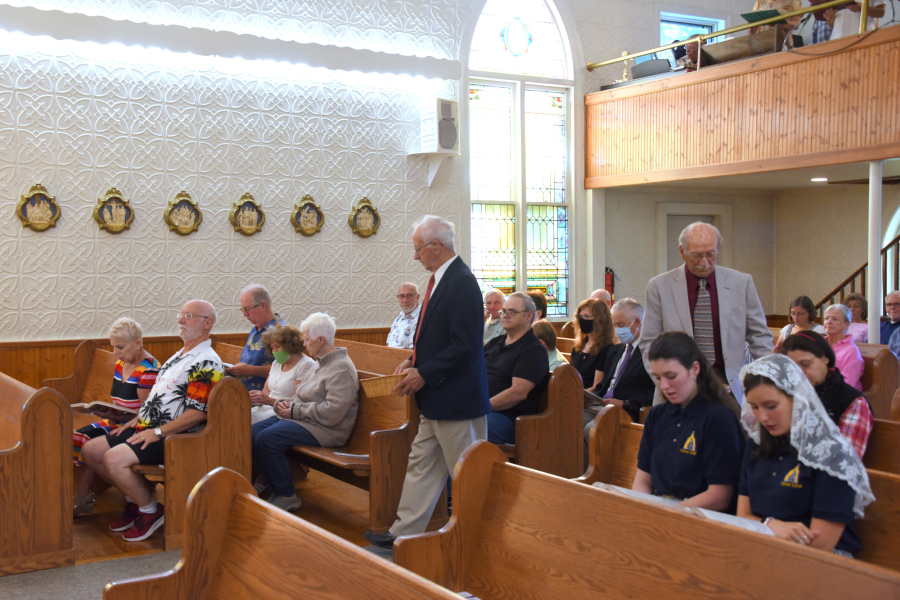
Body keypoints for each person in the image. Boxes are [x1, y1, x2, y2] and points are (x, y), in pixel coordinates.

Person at [364, 216, 490, 548]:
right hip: (437, 397)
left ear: (436, 246)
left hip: (457, 399)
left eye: (418, 249)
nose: (415, 256)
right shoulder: (440, 281)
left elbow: (465, 344)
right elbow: (436, 338)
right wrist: (413, 361)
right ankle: (403, 534)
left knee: (468, 473)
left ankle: (481, 537)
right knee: (421, 465)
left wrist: (425, 372)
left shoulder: (461, 281)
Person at [80, 300, 223, 542]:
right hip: (147, 426)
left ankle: (150, 511)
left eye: (188, 315)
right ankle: (135, 502)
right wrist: (137, 418)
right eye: (181, 314)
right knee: (90, 450)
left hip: (174, 436)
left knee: (113, 459)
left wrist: (156, 432)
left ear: (206, 323)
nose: (180, 320)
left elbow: (198, 412)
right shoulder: (181, 355)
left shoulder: (206, 361)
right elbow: (160, 398)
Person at [737, 354, 875, 556]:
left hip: (823, 561)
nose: (763, 417)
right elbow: (742, 515)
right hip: (766, 546)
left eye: (771, 406)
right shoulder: (757, 445)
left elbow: (821, 544)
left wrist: (766, 530)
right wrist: (771, 525)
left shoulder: (832, 453)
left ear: (798, 398)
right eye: (755, 407)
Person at [640, 221, 772, 404]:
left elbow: (760, 337)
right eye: (696, 256)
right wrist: (665, 382)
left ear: (718, 249)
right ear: (682, 252)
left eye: (710, 255)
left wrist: (771, 379)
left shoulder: (741, 283)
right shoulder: (659, 286)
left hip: (729, 391)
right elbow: (648, 343)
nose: (704, 263)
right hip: (677, 392)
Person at [251, 313, 359, 511]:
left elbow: (332, 414)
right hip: (306, 420)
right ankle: (275, 487)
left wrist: (294, 410)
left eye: (307, 339)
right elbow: (300, 397)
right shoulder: (320, 363)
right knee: (254, 433)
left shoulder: (341, 369)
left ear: (320, 340)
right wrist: (281, 406)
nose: (304, 343)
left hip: (327, 429)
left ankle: (287, 495)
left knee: (268, 439)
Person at [632, 332, 744, 511]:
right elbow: (643, 479)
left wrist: (668, 515)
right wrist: (643, 509)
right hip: (662, 513)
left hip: (701, 519)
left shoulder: (719, 419)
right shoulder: (657, 415)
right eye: (658, 378)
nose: (664, 386)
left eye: (671, 376)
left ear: (695, 369)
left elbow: (719, 495)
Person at [73, 318, 160, 517]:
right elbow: (120, 402)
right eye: (113, 347)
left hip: (137, 426)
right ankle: (89, 493)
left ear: (137, 344)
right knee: (80, 435)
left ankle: (84, 495)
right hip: (119, 419)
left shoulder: (149, 370)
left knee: (89, 440)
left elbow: (147, 412)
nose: (115, 353)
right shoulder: (121, 364)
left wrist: (119, 418)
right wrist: (108, 413)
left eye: (120, 347)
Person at [783, 331, 874, 457]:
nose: (800, 374)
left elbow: (843, 461)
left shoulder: (853, 402)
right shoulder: (785, 394)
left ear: (825, 357)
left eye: (805, 364)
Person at [483, 293, 550, 445]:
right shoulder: (495, 343)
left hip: (508, 419)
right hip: (484, 410)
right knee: (439, 417)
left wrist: (480, 408)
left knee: (459, 425)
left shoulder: (533, 350)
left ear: (528, 316)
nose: (505, 316)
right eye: (503, 312)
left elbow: (518, 393)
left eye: (511, 312)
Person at [593, 298, 655, 422]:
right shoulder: (614, 351)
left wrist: (625, 403)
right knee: (568, 417)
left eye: (621, 325)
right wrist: (591, 397)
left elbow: (654, 392)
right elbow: (604, 385)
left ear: (637, 322)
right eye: (614, 325)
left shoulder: (650, 353)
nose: (617, 330)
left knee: (589, 428)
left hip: (626, 411)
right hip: (601, 406)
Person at [248, 325, 317, 424]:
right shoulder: (277, 362)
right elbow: (266, 391)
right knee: (238, 416)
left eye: (278, 347)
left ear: (290, 345)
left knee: (246, 424)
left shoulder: (306, 365)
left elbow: (297, 401)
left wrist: (268, 401)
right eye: (272, 348)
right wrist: (255, 398)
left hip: (283, 413)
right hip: (266, 408)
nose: (274, 351)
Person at [226, 284, 286, 392]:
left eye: (248, 309)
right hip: (242, 393)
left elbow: (286, 369)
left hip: (263, 398)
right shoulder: (256, 328)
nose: (244, 314)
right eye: (242, 309)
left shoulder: (281, 331)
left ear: (263, 305)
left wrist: (249, 370)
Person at [570, 298, 616, 392]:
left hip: (589, 400)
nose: (582, 320)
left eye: (587, 316)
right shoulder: (578, 346)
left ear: (600, 319)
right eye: (580, 316)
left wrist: (574, 396)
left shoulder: (606, 349)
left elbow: (596, 387)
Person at [823, 304, 864, 391]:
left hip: (842, 397)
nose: (828, 322)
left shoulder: (852, 350)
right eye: (826, 318)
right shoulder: (818, 343)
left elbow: (847, 384)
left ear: (847, 324)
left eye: (835, 319)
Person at [386, 282, 421, 349]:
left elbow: (413, 351)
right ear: (398, 297)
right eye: (402, 296)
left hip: (404, 358)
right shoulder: (400, 316)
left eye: (409, 295)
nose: (405, 300)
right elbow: (388, 344)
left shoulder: (420, 318)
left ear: (417, 297)